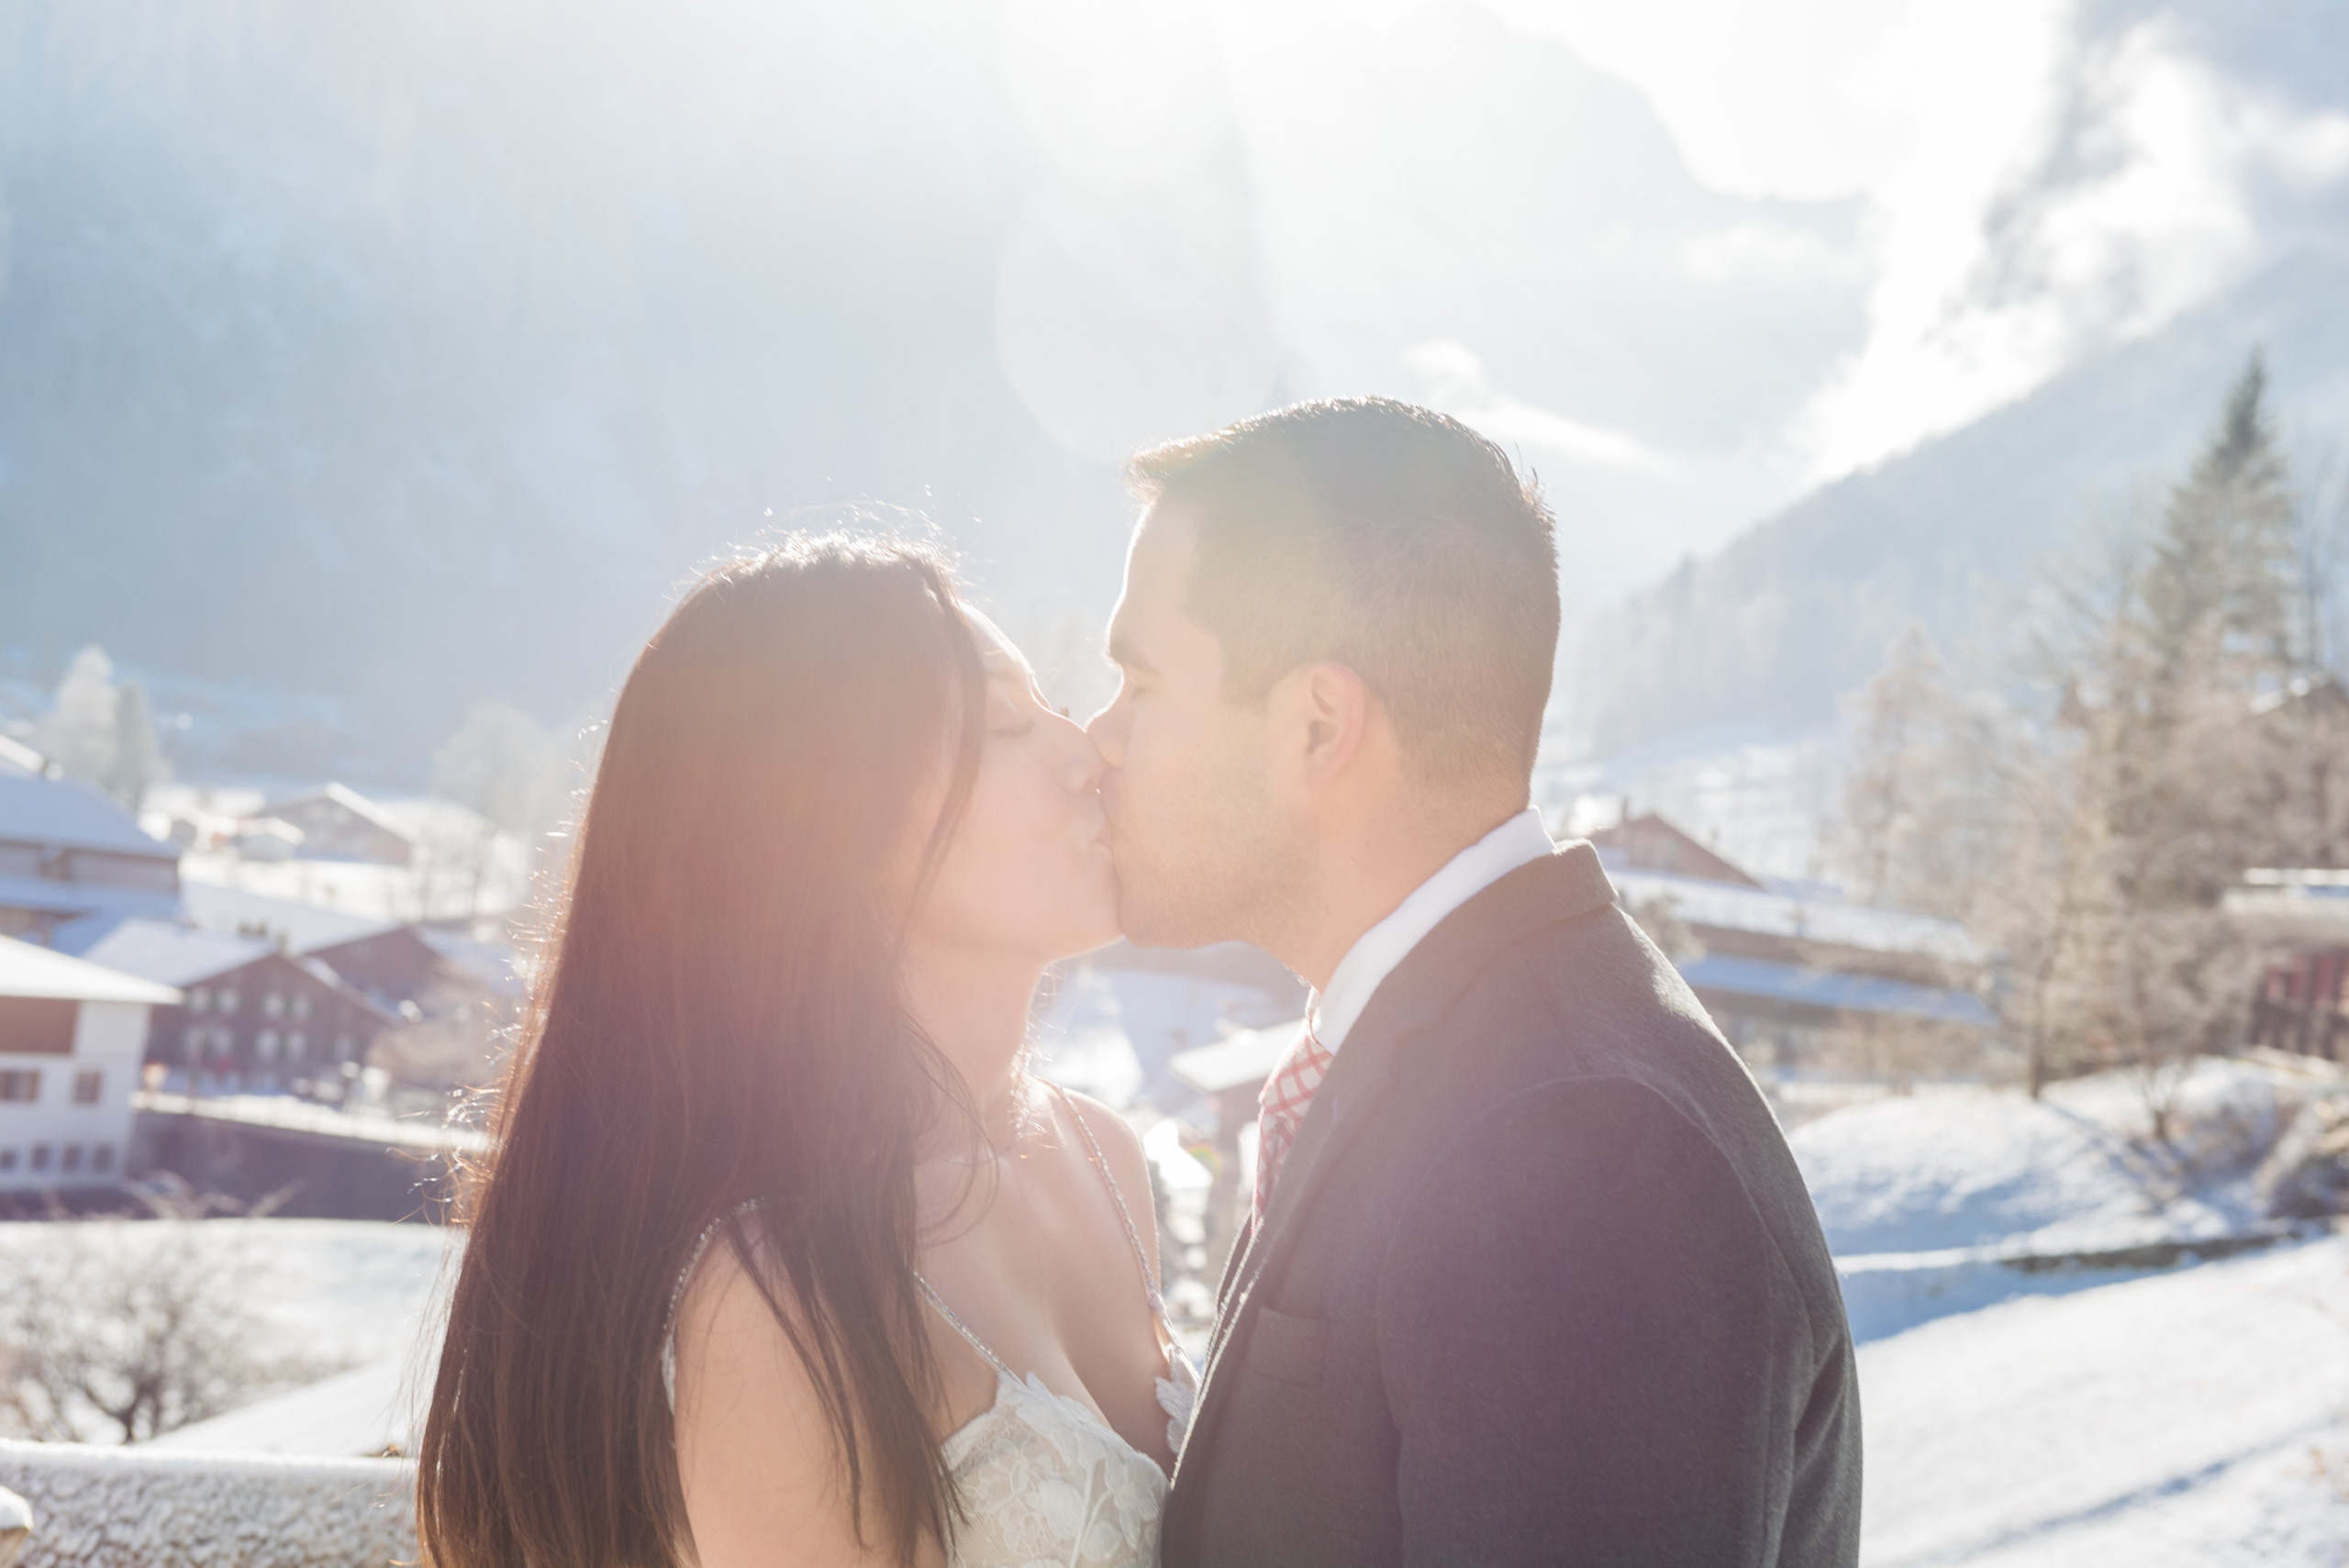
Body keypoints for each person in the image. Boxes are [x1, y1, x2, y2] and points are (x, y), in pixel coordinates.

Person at [1087, 398, 1863, 1565]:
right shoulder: (1475, 1052)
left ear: (1316, 725)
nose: (1098, 738)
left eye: (1140, 685)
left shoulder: (1575, 1153)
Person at [417, 535, 1191, 1568]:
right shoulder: (775, 1288)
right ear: (837, 825)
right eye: (1009, 721)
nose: (1087, 750)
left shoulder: (1100, 1153)